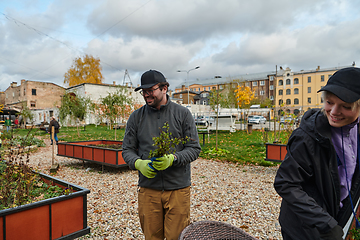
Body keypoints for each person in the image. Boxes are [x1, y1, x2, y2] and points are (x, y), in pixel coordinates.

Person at [274, 67, 360, 240]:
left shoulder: (357, 131)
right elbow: (286, 183)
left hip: (338, 217)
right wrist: (325, 224)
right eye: (329, 102)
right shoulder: (307, 137)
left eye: (345, 106)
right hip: (306, 228)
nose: (334, 112)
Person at [122, 69, 201, 240]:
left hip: (178, 189)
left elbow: (194, 149)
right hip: (149, 189)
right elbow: (127, 150)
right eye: (144, 91)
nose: (146, 95)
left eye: (151, 90)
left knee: (177, 237)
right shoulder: (136, 117)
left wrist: (174, 158)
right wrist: (138, 163)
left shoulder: (182, 114)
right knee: (152, 237)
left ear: (165, 88)